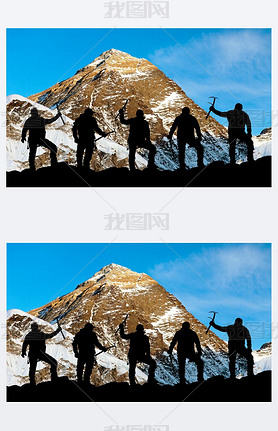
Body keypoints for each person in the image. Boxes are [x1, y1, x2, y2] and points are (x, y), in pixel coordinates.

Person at [21, 321, 62, 385]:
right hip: (41, 353)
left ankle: (32, 384)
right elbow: (51, 335)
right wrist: (58, 330)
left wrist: (23, 352)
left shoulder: (29, 335)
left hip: (32, 354)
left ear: (31, 328)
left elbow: (24, 344)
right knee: (54, 362)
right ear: (37, 328)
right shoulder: (41, 334)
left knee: (32, 370)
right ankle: (54, 379)